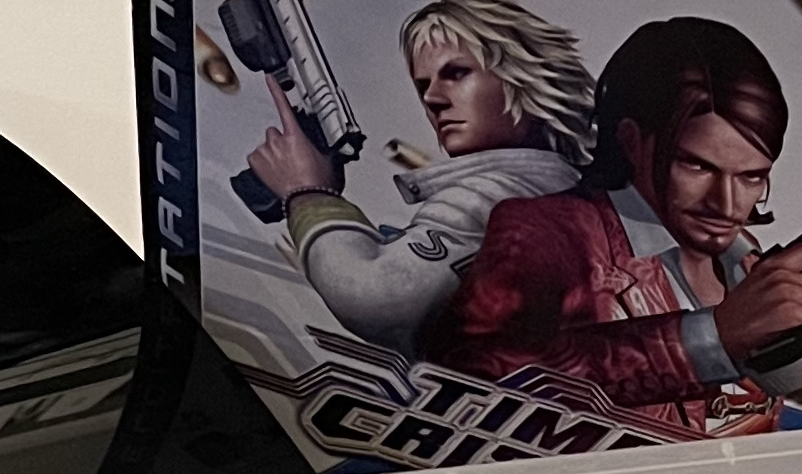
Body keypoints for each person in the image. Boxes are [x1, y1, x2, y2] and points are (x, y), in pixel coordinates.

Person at [423, 16, 802, 437]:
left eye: (751, 177)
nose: (727, 204)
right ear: (632, 141)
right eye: (697, 166)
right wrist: (710, 339)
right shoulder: (547, 231)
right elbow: (469, 386)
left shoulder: (740, 257)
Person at [241, 2, 594, 355]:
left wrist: (307, 195)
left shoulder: (497, 192)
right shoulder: (558, 188)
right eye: (423, 85)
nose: (432, 98)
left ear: (523, 76)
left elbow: (378, 297)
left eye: (457, 73)